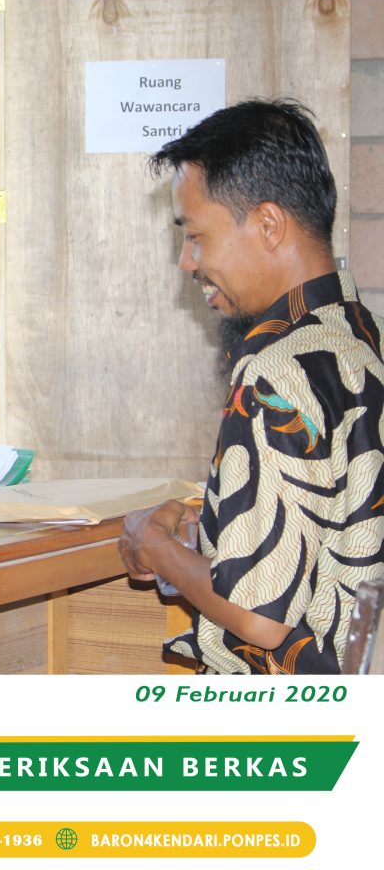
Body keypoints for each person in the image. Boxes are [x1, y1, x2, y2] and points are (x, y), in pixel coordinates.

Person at [118, 100, 384, 674]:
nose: (188, 262)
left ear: (268, 225)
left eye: (196, 236)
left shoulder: (275, 371)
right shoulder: (365, 336)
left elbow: (258, 615)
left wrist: (154, 546)